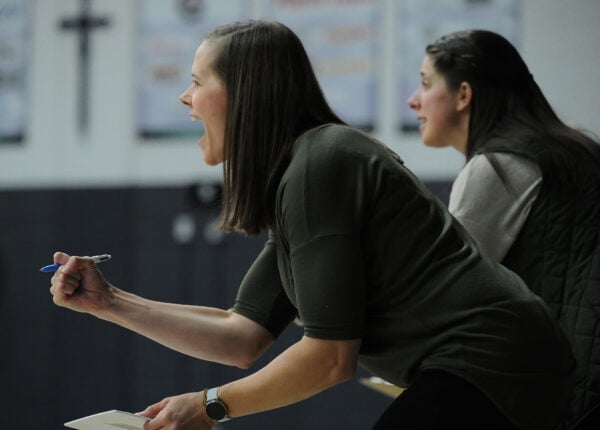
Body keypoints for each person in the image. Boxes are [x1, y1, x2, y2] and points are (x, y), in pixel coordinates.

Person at [49, 21, 575, 430]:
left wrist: (210, 406)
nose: (186, 98)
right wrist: (109, 301)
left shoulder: (320, 163)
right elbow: (240, 336)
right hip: (495, 361)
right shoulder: (304, 170)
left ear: (246, 93)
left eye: (196, 81)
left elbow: (328, 359)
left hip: (496, 361)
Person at [407, 29, 600, 429]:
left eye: (425, 84)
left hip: (561, 387)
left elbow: (442, 297)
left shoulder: (498, 166)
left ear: (464, 95)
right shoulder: (574, 146)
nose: (414, 100)